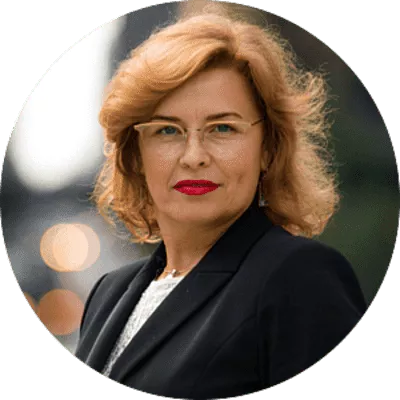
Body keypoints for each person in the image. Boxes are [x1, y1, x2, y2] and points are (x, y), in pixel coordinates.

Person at [75, 8, 367, 398]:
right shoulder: (108, 294)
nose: (194, 156)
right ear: (136, 154)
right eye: (168, 130)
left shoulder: (300, 279)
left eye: (223, 128)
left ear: (268, 148)